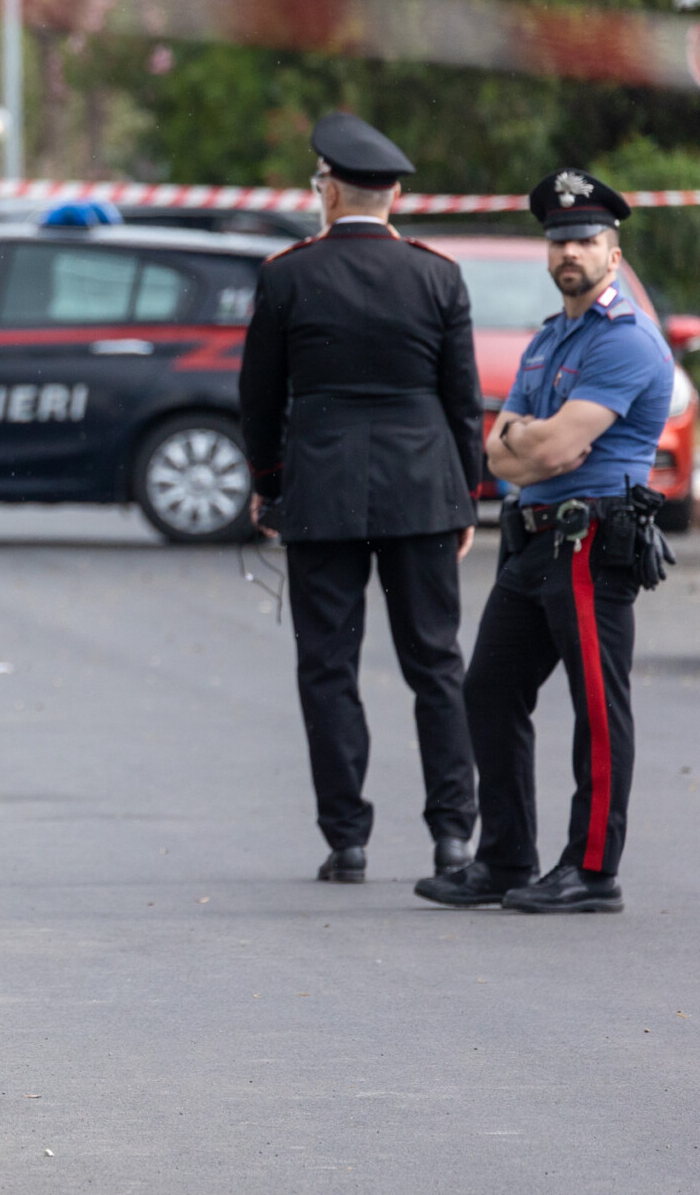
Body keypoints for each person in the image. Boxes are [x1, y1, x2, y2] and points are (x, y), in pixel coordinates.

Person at [417, 170, 675, 915]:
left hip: (592, 540)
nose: (572, 251)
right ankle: (504, 860)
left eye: (587, 240)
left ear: (613, 251)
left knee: (597, 706)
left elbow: (555, 450)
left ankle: (593, 870)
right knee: (490, 690)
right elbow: (496, 451)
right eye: (560, 239)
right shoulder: (548, 339)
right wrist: (523, 445)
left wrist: (527, 442)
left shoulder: (628, 343)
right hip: (531, 542)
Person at [239, 111, 483, 886]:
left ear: (330, 191)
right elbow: (463, 401)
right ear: (396, 195)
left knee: (327, 667)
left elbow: (259, 398)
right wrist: (465, 499)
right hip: (423, 491)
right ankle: (453, 834)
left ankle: (347, 838)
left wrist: (269, 487)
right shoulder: (438, 274)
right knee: (436, 664)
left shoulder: (287, 274)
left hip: (322, 490)